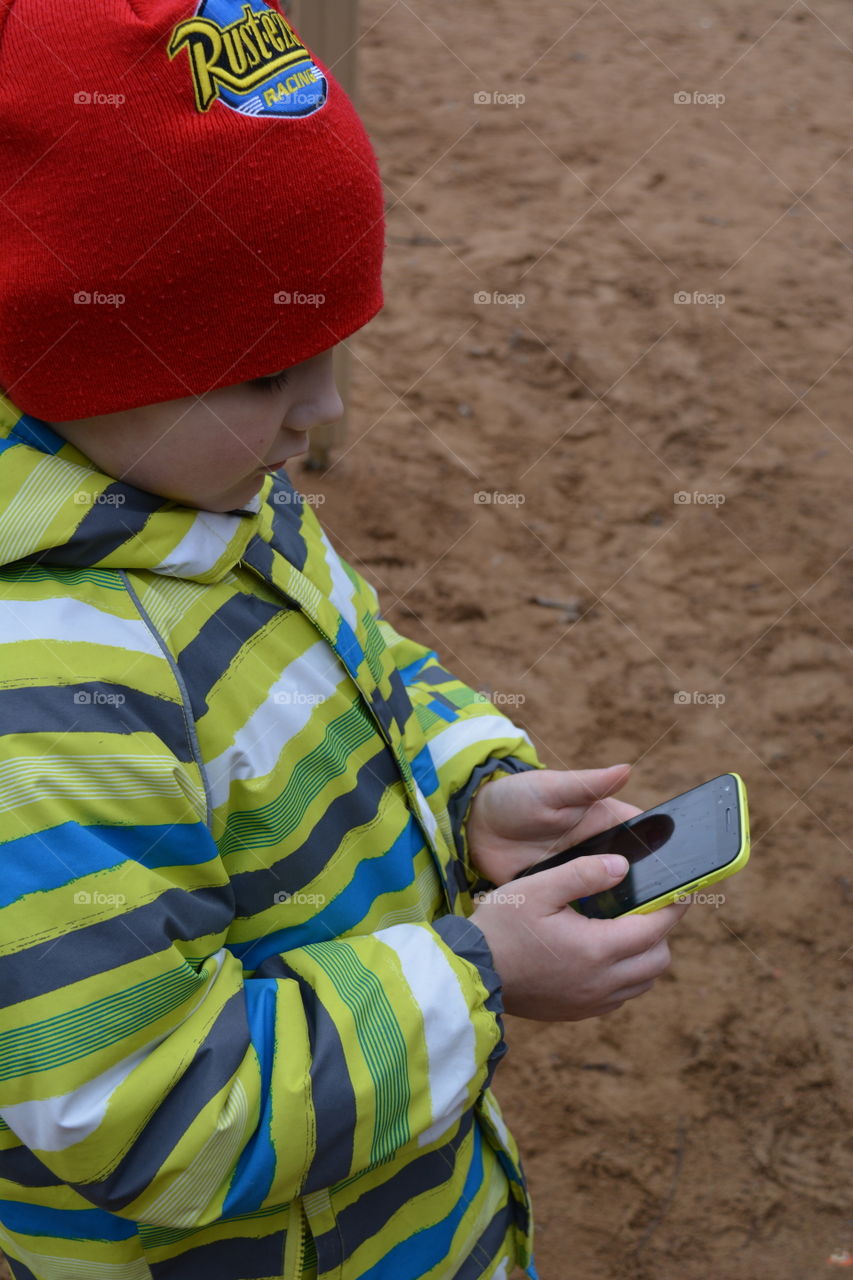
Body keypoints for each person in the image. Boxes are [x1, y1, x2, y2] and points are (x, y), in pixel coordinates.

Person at [0, 3, 689, 1278]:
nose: (322, 411)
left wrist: (469, 788)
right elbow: (146, 1114)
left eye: (329, 350)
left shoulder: (202, 495)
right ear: (78, 351)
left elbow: (366, 663)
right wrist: (477, 973)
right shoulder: (43, 699)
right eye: (266, 371)